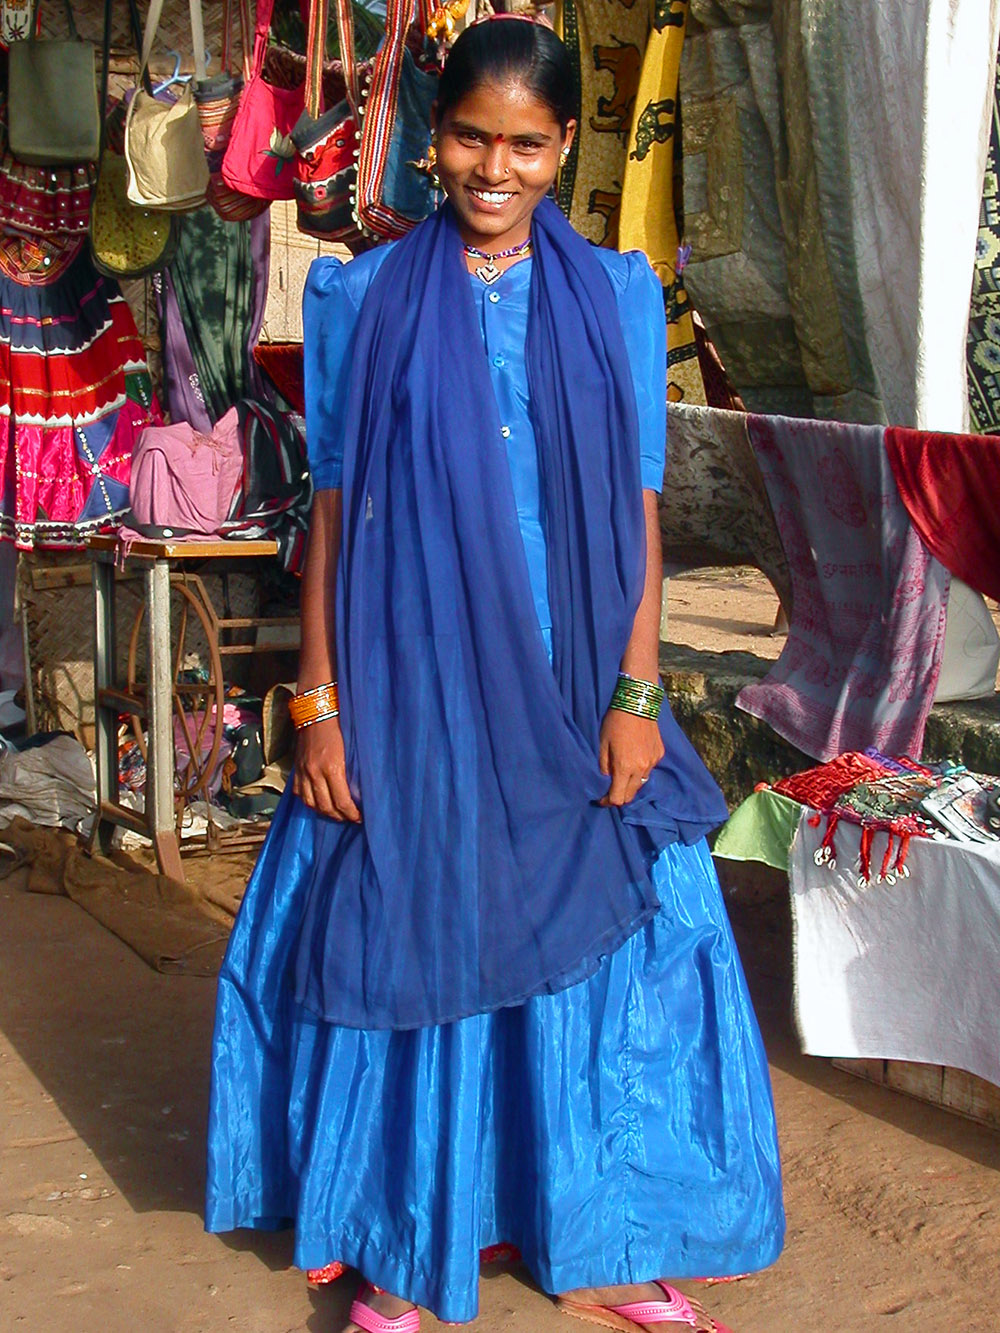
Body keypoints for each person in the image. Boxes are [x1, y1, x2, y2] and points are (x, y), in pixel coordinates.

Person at [206, 18, 784, 1333]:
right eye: (471, 135)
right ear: (428, 134)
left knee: (616, 940)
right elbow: (336, 512)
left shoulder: (622, 296)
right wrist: (317, 701)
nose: (494, 167)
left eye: (526, 143)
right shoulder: (361, 298)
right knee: (430, 930)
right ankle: (416, 1239)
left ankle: (609, 1232)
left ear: (566, 146)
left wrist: (639, 697)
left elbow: (637, 503)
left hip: (582, 672)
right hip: (421, 678)